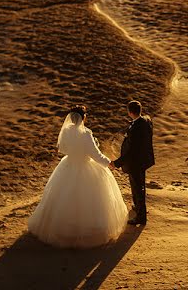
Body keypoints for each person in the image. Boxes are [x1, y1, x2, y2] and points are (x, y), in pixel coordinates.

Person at [27, 105, 128, 248]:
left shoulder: (65, 131)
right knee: (89, 199)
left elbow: (62, 149)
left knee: (64, 197)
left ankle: (65, 229)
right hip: (86, 165)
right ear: (83, 117)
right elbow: (95, 154)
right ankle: (88, 230)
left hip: (68, 165)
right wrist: (108, 163)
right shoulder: (86, 133)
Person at [111, 100, 155, 225]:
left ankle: (141, 217)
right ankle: (137, 206)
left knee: (138, 188)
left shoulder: (136, 128)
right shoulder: (146, 120)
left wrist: (117, 163)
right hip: (142, 160)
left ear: (129, 112)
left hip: (136, 162)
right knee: (136, 185)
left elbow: (131, 151)